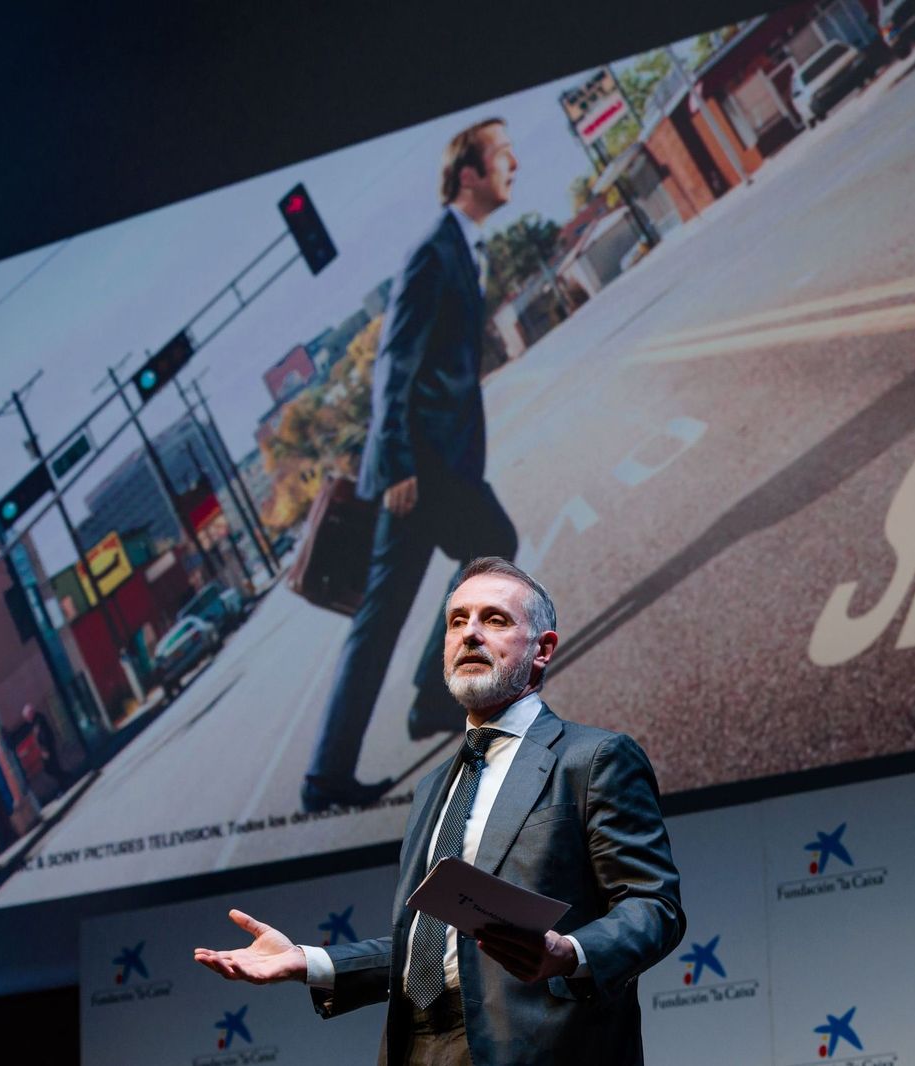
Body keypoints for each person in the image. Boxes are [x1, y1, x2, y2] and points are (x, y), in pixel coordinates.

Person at [196, 558, 684, 1066]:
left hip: (541, 1044)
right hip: (417, 1045)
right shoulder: (434, 787)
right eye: (456, 621)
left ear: (542, 650)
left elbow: (654, 907)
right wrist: (309, 961)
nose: (469, 633)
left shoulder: (592, 760)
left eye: (494, 620)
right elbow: (432, 947)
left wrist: (571, 953)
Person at [301, 118, 523, 812]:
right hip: (416, 472)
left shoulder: (460, 247)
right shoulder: (434, 250)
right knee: (383, 616)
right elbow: (393, 362)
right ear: (469, 175)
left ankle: (430, 697)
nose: (514, 164)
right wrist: (397, 463)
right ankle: (325, 777)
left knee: (487, 556)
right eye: (502, 156)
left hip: (440, 467)